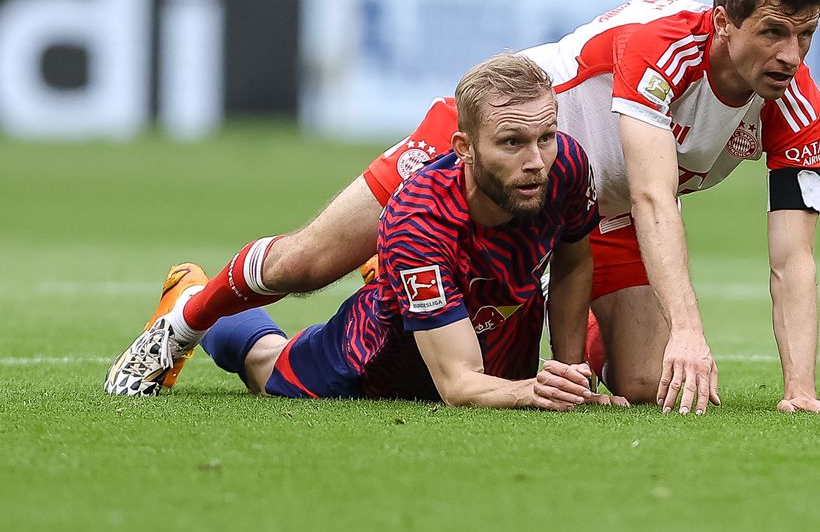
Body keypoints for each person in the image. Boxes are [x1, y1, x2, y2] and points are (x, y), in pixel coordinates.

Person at [106, 0, 820, 416]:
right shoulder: (665, 48)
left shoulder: (795, 102)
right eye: (774, 33)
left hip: (593, 203)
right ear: (724, 22)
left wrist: (800, 390)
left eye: (806, 36)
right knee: (308, 262)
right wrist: (691, 327)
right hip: (501, 148)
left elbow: (793, 258)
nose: (791, 56)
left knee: (650, 384)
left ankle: (568, 343)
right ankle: (186, 318)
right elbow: (658, 194)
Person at [106, 55, 626, 411]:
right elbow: (458, 385)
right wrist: (538, 391)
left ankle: (403, 277)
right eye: (512, 142)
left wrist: (569, 372)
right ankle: (196, 299)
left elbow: (575, 260)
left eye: (546, 136)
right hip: (375, 363)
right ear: (464, 147)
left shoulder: (566, 166)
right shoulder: (420, 218)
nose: (536, 160)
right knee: (265, 367)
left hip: (491, 317)